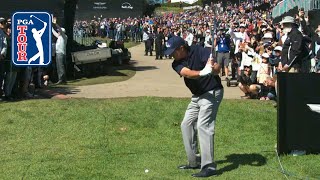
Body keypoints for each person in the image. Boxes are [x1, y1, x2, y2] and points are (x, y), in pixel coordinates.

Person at [164, 36, 223, 178]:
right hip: (197, 96)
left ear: (181, 48)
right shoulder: (176, 63)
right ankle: (194, 161)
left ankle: (209, 166)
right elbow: (187, 73)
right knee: (186, 124)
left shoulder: (199, 51)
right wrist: (203, 71)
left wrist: (213, 68)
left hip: (211, 92)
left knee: (203, 125)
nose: (171, 55)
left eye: (173, 52)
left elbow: (217, 69)